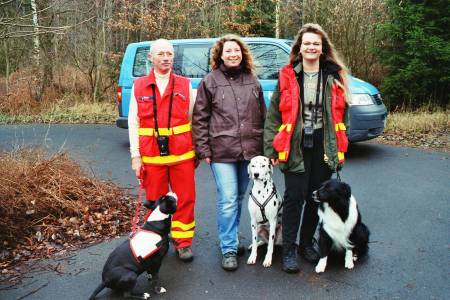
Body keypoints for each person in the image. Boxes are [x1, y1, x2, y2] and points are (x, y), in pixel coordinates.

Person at [264, 23, 349, 273]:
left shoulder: (334, 76)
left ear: (322, 49)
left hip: (324, 144)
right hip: (294, 145)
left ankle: (305, 245)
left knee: (315, 198)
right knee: (294, 198)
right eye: (307, 43)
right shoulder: (288, 76)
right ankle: (288, 248)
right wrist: (271, 150)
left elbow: (344, 115)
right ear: (299, 48)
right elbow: (273, 117)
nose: (311, 47)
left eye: (316, 44)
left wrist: (339, 150)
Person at [192, 34, 266, 271]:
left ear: (242, 53)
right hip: (221, 151)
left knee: (239, 198)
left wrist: (266, 149)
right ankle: (228, 248)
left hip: (251, 152)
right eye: (228, 51)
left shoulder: (253, 81)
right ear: (220, 55)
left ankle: (232, 239)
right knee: (228, 200)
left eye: (236, 50)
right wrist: (203, 149)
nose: (233, 54)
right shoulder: (210, 81)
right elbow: (200, 118)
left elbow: (263, 116)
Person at [128, 39, 196, 262]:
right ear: (151, 58)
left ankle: (183, 243)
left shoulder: (186, 85)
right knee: (155, 200)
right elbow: (133, 123)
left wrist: (196, 149)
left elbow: (194, 118)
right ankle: (154, 241)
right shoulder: (139, 86)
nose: (166, 57)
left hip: (182, 155)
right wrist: (135, 156)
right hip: (152, 156)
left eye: (169, 53)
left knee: (185, 199)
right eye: (161, 54)